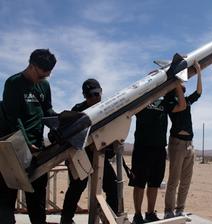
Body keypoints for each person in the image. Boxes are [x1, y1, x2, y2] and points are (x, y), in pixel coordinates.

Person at [0, 49, 57, 224]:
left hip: (37, 149)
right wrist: (25, 142)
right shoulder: (13, 83)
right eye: (41, 75)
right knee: (7, 195)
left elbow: (47, 110)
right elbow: (12, 117)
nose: (43, 79)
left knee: (37, 196)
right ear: (32, 66)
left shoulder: (44, 85)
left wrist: (60, 122)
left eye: (47, 76)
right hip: (13, 148)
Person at [60, 79, 118, 224]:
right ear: (84, 96)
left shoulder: (107, 108)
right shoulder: (78, 111)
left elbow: (113, 132)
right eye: (89, 95)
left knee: (112, 186)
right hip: (81, 155)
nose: (94, 98)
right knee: (76, 188)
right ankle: (66, 220)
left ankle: (111, 217)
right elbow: (68, 135)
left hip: (100, 154)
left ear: (101, 92)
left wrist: (107, 147)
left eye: (96, 94)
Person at [129, 82, 186, 224]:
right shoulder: (141, 99)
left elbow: (182, 106)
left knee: (154, 183)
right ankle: (137, 215)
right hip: (142, 147)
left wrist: (177, 84)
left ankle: (150, 213)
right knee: (139, 183)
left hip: (159, 148)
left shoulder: (165, 101)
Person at [164, 61, 202, 218]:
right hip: (177, 144)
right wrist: (176, 82)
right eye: (181, 84)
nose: (184, 84)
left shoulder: (186, 100)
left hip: (189, 145)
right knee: (174, 181)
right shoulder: (169, 102)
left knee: (185, 181)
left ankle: (180, 210)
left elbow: (199, 92)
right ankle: (168, 212)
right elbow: (182, 106)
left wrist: (199, 72)